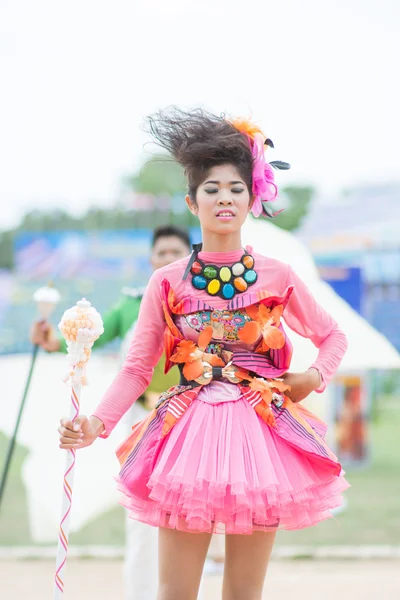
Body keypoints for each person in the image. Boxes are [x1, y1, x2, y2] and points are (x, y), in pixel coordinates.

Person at [58, 108, 349, 600]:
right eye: (211, 189)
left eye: (236, 188)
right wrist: (95, 424)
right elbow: (137, 367)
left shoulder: (278, 275)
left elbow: (333, 336)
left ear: (252, 198)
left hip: (263, 441)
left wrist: (314, 377)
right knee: (175, 594)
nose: (224, 199)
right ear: (193, 203)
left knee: (242, 594)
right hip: (186, 439)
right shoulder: (166, 282)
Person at [33, 225, 191, 600]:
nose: (168, 260)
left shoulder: (201, 303)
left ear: (190, 257)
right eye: (162, 253)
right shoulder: (131, 305)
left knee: (188, 520)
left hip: (191, 422)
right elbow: (92, 338)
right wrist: (52, 339)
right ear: (151, 259)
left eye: (176, 253)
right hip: (139, 423)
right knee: (141, 520)